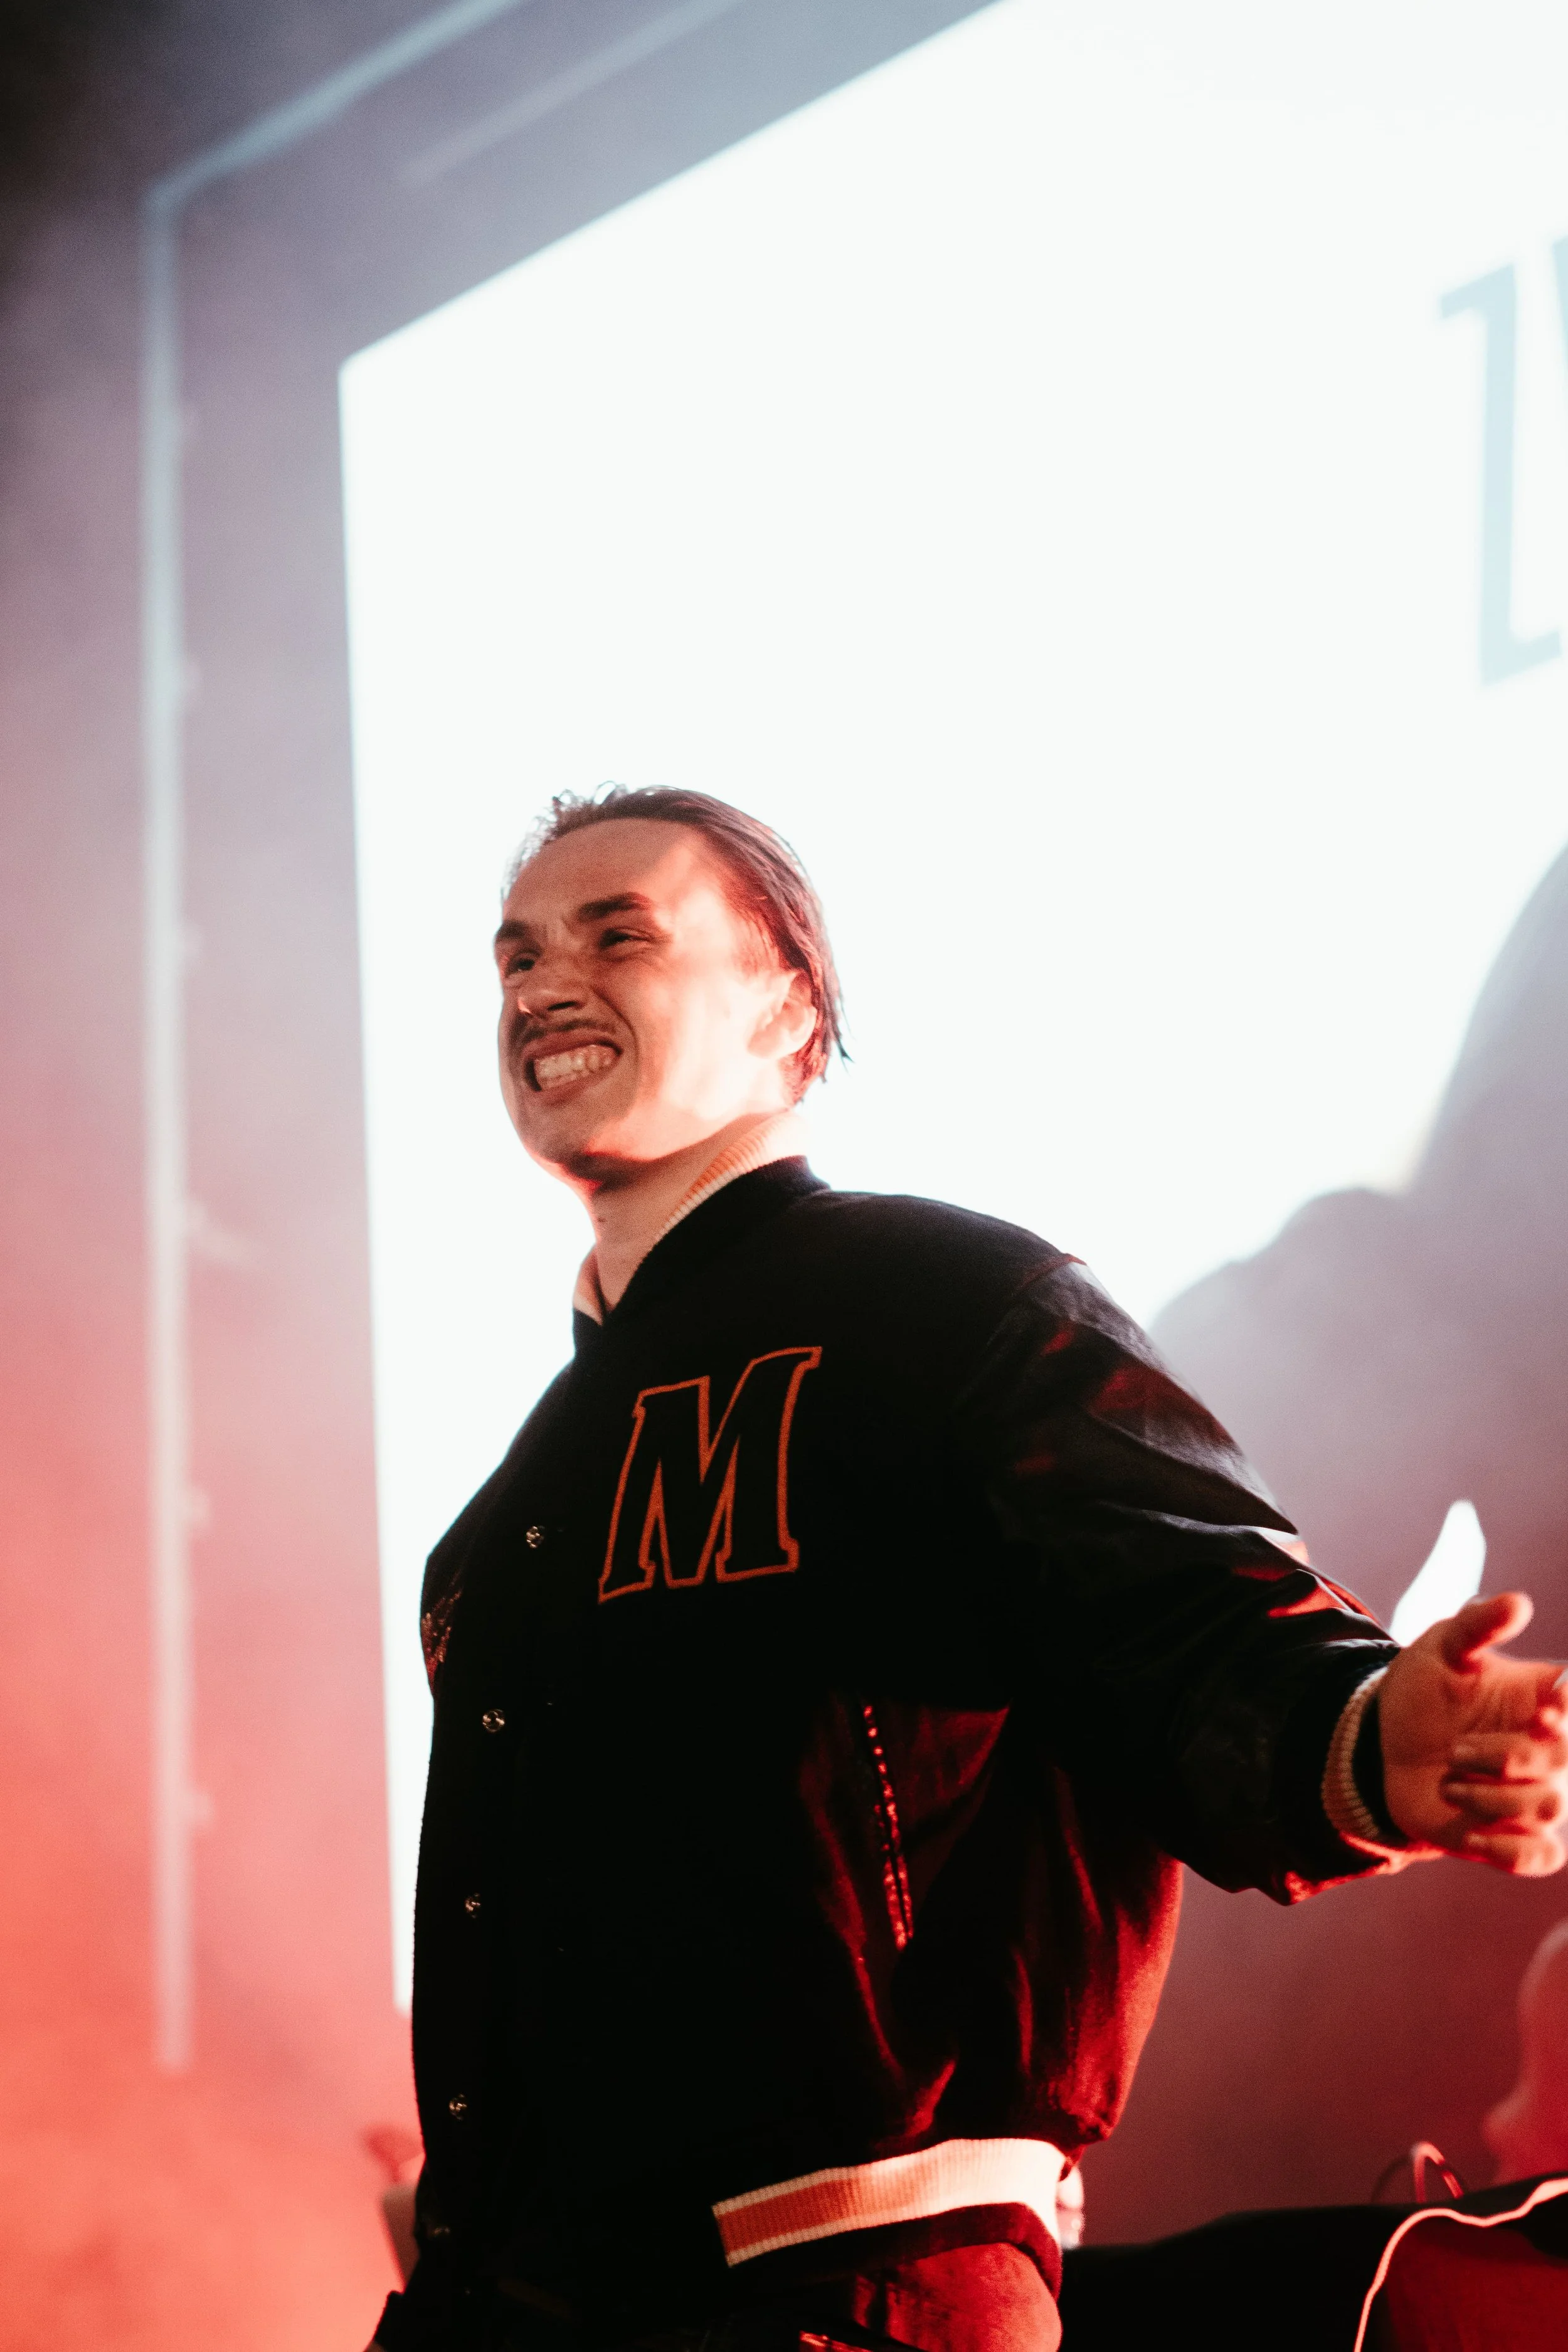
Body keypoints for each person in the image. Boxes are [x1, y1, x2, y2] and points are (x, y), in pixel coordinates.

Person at [369, 787, 1568, 2352]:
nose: (544, 985)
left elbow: (1180, 1617)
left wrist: (1357, 1737)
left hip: (843, 2299)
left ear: (787, 1007)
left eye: (619, 935)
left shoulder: (944, 1309)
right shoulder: (501, 1521)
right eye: (517, 954)